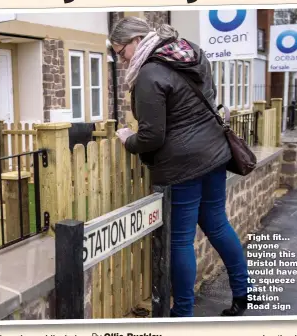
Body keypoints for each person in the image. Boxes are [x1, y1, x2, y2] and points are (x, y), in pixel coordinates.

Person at [109, 16, 258, 318]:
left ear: (137, 40)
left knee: (180, 239)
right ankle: (244, 294)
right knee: (217, 224)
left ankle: (183, 315)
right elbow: (209, 98)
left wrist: (128, 140)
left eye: (121, 51)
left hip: (182, 167)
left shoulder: (149, 74)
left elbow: (152, 136)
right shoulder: (191, 50)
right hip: (215, 154)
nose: (122, 60)